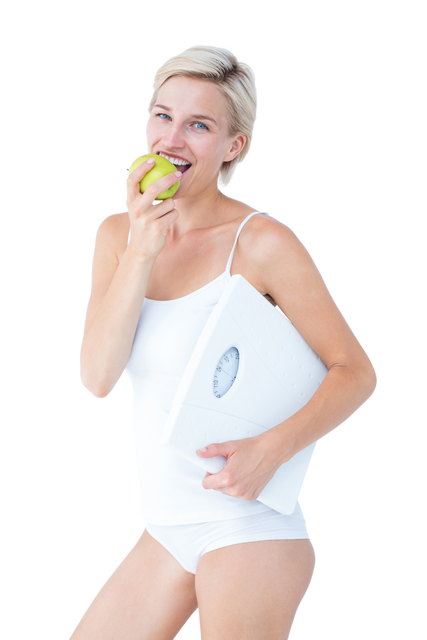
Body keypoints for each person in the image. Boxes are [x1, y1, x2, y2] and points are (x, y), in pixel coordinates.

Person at [74, 39, 378, 639]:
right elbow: (97, 380)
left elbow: (356, 372)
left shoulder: (262, 242)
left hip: (250, 526)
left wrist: (272, 449)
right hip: (163, 527)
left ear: (234, 146)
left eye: (199, 125)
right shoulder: (117, 235)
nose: (171, 140)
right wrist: (143, 247)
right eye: (162, 116)